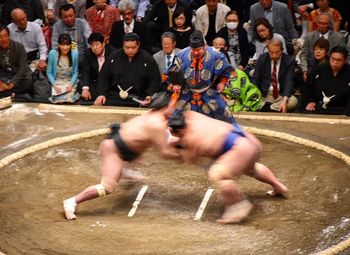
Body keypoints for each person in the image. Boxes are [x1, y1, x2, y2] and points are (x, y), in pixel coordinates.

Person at [63, 92, 180, 220]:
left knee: (142, 146)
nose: (174, 108)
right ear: (165, 106)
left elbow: (165, 136)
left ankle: (127, 171)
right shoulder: (156, 124)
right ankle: (72, 202)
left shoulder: (153, 114)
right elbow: (165, 152)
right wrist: (185, 155)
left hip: (126, 148)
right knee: (107, 187)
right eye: (172, 105)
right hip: (114, 149)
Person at [168, 110, 288, 223]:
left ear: (173, 131)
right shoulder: (192, 116)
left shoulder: (190, 139)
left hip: (239, 148)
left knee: (217, 174)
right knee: (252, 169)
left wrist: (177, 146)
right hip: (248, 139)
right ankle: (278, 186)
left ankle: (238, 207)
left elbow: (190, 159)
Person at [173, 30, 235, 123]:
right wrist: (176, 84)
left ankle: (233, 134)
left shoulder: (215, 55)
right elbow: (173, 71)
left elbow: (226, 70)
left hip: (208, 90)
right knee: (176, 118)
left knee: (224, 116)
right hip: (187, 91)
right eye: (193, 50)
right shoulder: (182, 55)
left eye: (198, 50)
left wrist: (222, 82)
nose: (196, 53)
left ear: (204, 47)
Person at [94, 33, 161, 106]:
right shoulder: (114, 57)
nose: (130, 50)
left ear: (138, 45)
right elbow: (104, 77)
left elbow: (154, 80)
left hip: (139, 99)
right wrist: (101, 94)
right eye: (127, 47)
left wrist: (149, 95)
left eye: (133, 47)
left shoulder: (147, 59)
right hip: (115, 97)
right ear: (123, 45)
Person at [251, 38, 298, 113]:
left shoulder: (289, 61)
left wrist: (285, 100)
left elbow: (288, 81)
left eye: (277, 52)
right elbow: (256, 78)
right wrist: (254, 94)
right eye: (271, 52)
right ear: (268, 50)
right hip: (264, 94)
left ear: (282, 50)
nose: (274, 55)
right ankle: (271, 108)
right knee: (251, 100)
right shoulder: (262, 58)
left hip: (280, 95)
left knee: (293, 101)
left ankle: (268, 108)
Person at [301, 46, 350, 116]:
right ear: (329, 57)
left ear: (345, 60)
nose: (335, 62)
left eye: (339, 60)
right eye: (333, 59)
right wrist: (310, 102)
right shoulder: (320, 69)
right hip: (318, 107)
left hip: (341, 109)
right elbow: (307, 87)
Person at [79, 32, 116, 102]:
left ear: (103, 44)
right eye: (92, 45)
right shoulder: (88, 53)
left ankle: (102, 96)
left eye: (97, 44)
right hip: (95, 83)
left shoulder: (113, 52)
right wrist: (85, 89)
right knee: (81, 89)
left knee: (113, 93)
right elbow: (85, 71)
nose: (94, 48)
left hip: (109, 84)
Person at [0, 24, 33, 98]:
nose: (3, 39)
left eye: (5, 36)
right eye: (0, 37)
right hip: (7, 75)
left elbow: (22, 69)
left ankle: (8, 93)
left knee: (29, 84)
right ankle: (15, 95)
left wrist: (11, 84)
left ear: (9, 36)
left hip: (22, 76)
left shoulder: (19, 46)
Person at [47, 33, 80, 103]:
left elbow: (75, 72)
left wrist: (71, 85)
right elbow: (49, 72)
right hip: (57, 82)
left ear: (70, 45)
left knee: (69, 100)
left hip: (69, 81)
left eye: (67, 45)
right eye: (63, 45)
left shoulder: (75, 54)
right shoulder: (52, 54)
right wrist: (55, 85)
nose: (65, 47)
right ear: (58, 45)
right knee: (59, 100)